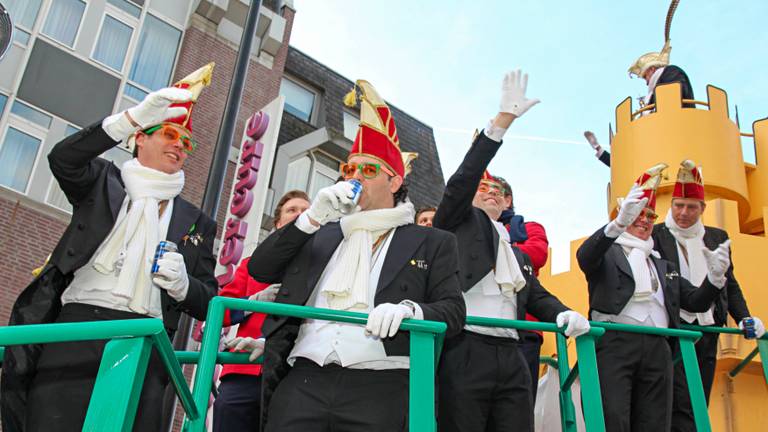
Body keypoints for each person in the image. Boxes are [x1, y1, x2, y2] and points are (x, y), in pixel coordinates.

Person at [0, 64, 218, 432]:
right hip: (78, 326)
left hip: (145, 339)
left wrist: (183, 286)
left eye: (186, 142)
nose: (179, 145)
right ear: (139, 140)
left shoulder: (197, 221)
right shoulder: (102, 182)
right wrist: (131, 117)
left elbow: (209, 301)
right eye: (168, 132)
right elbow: (63, 158)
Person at [246, 80, 465, 432]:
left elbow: (454, 311)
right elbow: (260, 268)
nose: (356, 177)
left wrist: (409, 310)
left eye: (369, 170)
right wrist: (311, 217)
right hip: (303, 382)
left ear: (394, 182)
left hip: (381, 386)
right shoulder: (322, 231)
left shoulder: (432, 241)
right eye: (350, 169)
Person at [433, 70, 590, 432]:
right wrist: (500, 124)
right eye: (483, 187)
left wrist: (564, 313)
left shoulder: (515, 251)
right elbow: (461, 183)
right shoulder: (455, 223)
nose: (490, 192)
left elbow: (533, 293)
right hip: (464, 346)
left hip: (513, 353)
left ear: (507, 202)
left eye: (498, 191)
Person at [576, 163, 732, 432]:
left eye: (650, 214)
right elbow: (585, 255)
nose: (645, 219)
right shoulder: (608, 252)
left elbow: (695, 301)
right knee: (613, 418)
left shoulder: (662, 265)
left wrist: (716, 279)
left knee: (655, 422)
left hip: (659, 349)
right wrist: (616, 225)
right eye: (637, 213)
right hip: (616, 343)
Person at [651, 160, 765, 432]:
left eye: (691, 207)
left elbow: (730, 283)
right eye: (679, 205)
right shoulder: (656, 235)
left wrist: (746, 318)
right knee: (676, 400)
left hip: (708, 329)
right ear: (671, 206)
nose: (684, 213)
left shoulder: (717, 237)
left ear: (702, 209)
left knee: (699, 397)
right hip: (673, 329)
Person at [212, 190, 310, 432]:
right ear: (277, 224)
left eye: (306, 211)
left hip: (293, 372)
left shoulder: (323, 270)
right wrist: (252, 301)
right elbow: (221, 312)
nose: (299, 215)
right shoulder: (252, 264)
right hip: (246, 368)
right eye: (292, 210)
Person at [494, 175, 550, 399]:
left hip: (524, 327)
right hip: (477, 330)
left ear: (507, 200)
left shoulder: (530, 228)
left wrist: (492, 249)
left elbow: (537, 254)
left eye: (495, 191)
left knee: (521, 403)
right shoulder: (468, 231)